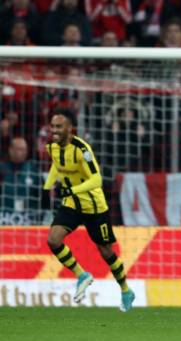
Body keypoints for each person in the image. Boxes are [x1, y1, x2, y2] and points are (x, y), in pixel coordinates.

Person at [43, 108, 135, 311]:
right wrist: (46, 187)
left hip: (94, 206)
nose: (54, 130)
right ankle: (82, 275)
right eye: (53, 126)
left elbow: (97, 179)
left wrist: (72, 189)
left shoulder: (82, 149)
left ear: (70, 128)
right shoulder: (52, 147)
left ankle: (126, 290)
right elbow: (57, 166)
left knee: (106, 252)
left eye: (59, 126)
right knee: (53, 239)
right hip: (72, 203)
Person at [0, 137, 42, 217]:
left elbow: (42, 194)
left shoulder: (33, 169)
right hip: (4, 216)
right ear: (11, 150)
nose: (24, 152)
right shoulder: (2, 169)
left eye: (25, 149)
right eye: (20, 149)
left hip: (29, 217)